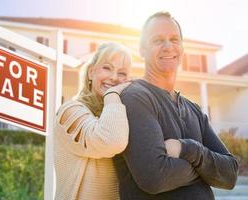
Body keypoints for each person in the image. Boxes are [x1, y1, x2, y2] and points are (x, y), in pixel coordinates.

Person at [113, 11, 239, 200]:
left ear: (182, 47)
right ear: (141, 50)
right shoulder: (136, 98)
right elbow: (154, 176)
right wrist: (207, 172)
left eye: (174, 39)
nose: (168, 46)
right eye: (157, 40)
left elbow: (230, 174)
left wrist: (187, 149)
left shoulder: (194, 110)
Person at [53, 42, 132, 200]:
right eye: (107, 68)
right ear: (91, 72)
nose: (114, 77)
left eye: (122, 73)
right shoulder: (69, 112)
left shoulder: (120, 116)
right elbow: (110, 141)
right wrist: (113, 94)